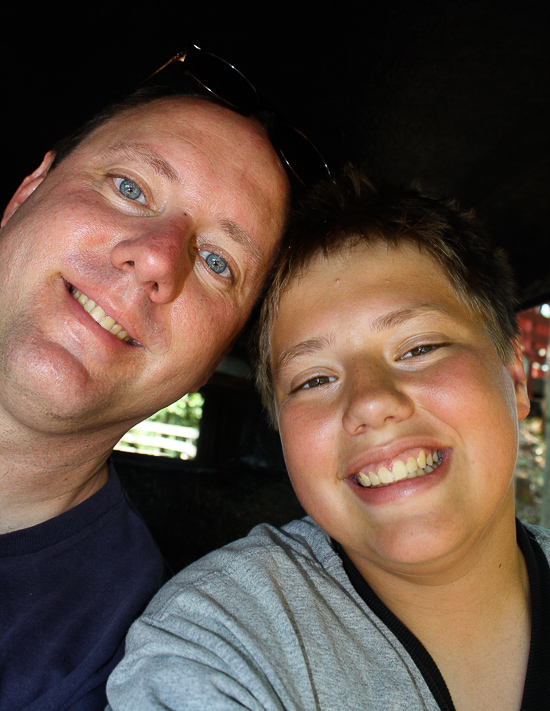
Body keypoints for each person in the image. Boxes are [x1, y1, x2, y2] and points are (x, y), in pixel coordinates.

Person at [105, 166, 550, 711]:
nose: (369, 402)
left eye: (419, 348)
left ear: (513, 376)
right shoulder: (219, 640)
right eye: (314, 379)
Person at [0, 43, 331, 710]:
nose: (157, 258)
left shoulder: (125, 645)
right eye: (129, 187)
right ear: (25, 194)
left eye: (216, 261)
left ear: (215, 357)